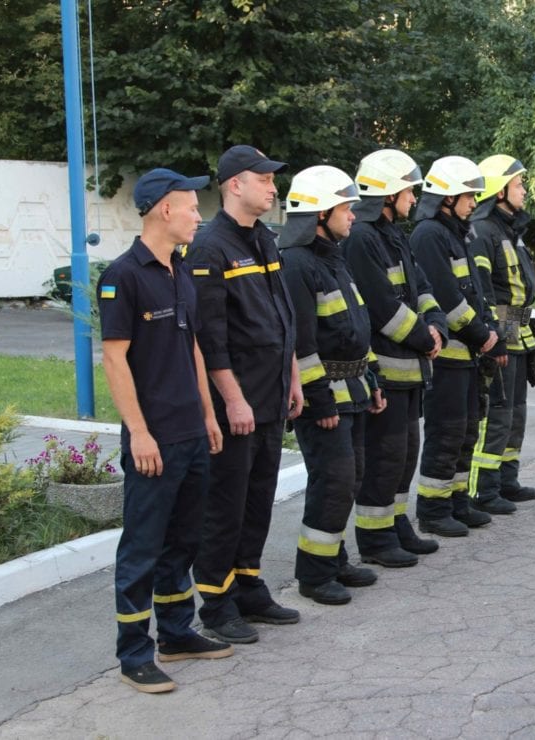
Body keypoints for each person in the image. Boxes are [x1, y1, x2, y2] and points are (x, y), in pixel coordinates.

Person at [99, 168, 231, 693]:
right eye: (192, 206)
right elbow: (114, 361)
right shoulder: (123, 275)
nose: (200, 214)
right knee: (143, 546)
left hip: (191, 433)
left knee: (184, 539)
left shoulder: (180, 272)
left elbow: (192, 347)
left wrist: (206, 413)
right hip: (153, 438)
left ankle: (177, 632)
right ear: (163, 210)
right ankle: (135, 653)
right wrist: (139, 432)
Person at [189, 145, 304, 644]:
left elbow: (283, 318)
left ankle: (249, 587)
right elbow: (209, 335)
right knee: (226, 503)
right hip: (237, 402)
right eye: (264, 179)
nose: (273, 186)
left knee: (258, 499)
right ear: (235, 184)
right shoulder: (210, 246)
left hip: (272, 393)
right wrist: (232, 398)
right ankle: (216, 603)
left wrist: (294, 377)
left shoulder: (264, 240)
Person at [279, 165, 387, 604]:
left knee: (351, 476)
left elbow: (358, 325)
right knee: (333, 479)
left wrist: (373, 378)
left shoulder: (333, 259)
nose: (353, 216)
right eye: (345, 208)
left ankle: (335, 558)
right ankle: (314, 573)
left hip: (354, 389)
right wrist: (319, 403)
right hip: (324, 397)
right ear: (320, 214)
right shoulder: (298, 264)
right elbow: (301, 343)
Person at [342, 149, 446, 561]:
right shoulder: (363, 239)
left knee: (404, 454)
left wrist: (435, 321)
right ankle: (375, 537)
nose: (413, 197)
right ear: (387, 194)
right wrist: (426, 338)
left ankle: (397, 522)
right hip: (387, 371)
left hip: (411, 371)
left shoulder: (393, 234)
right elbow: (382, 306)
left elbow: (420, 285)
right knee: (384, 457)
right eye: (407, 189)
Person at [411, 156, 500, 536]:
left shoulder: (457, 232)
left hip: (467, 356)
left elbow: (475, 290)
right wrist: (483, 335)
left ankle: (457, 502)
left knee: (466, 431)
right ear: (446, 197)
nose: (473, 202)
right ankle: (433, 510)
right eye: (467, 195)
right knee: (445, 433)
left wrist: (490, 329)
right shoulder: (429, 234)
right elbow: (446, 298)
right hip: (447, 358)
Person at [467, 154, 535, 514]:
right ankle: (484, 487)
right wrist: (492, 338)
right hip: (501, 330)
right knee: (497, 412)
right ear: (499, 191)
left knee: (516, 411)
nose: (524, 190)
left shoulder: (509, 229)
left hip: (519, 330)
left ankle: (507, 479)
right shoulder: (483, 231)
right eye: (518, 184)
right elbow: (482, 291)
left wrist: (533, 339)